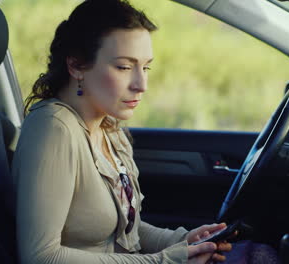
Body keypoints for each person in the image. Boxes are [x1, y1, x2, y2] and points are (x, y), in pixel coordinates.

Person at [12, 0, 233, 263]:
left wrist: (181, 242)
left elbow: (123, 231)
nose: (141, 84)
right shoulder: (54, 128)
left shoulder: (109, 128)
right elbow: (41, 256)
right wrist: (164, 261)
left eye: (146, 67)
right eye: (124, 67)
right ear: (76, 66)